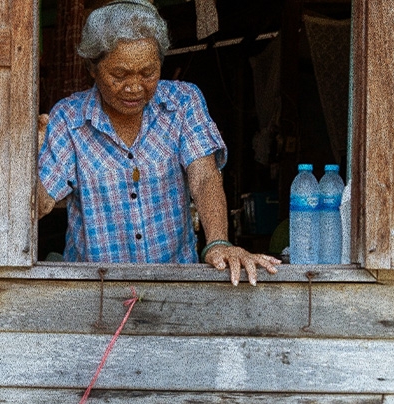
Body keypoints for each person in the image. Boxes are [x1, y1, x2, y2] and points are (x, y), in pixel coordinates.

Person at [37, 0, 280, 286]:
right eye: (120, 75)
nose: (135, 87)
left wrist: (218, 243)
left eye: (148, 73)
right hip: (95, 290)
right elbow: (41, 203)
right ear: (92, 67)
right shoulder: (68, 118)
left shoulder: (182, 102)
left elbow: (203, 177)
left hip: (174, 285)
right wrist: (30, 156)